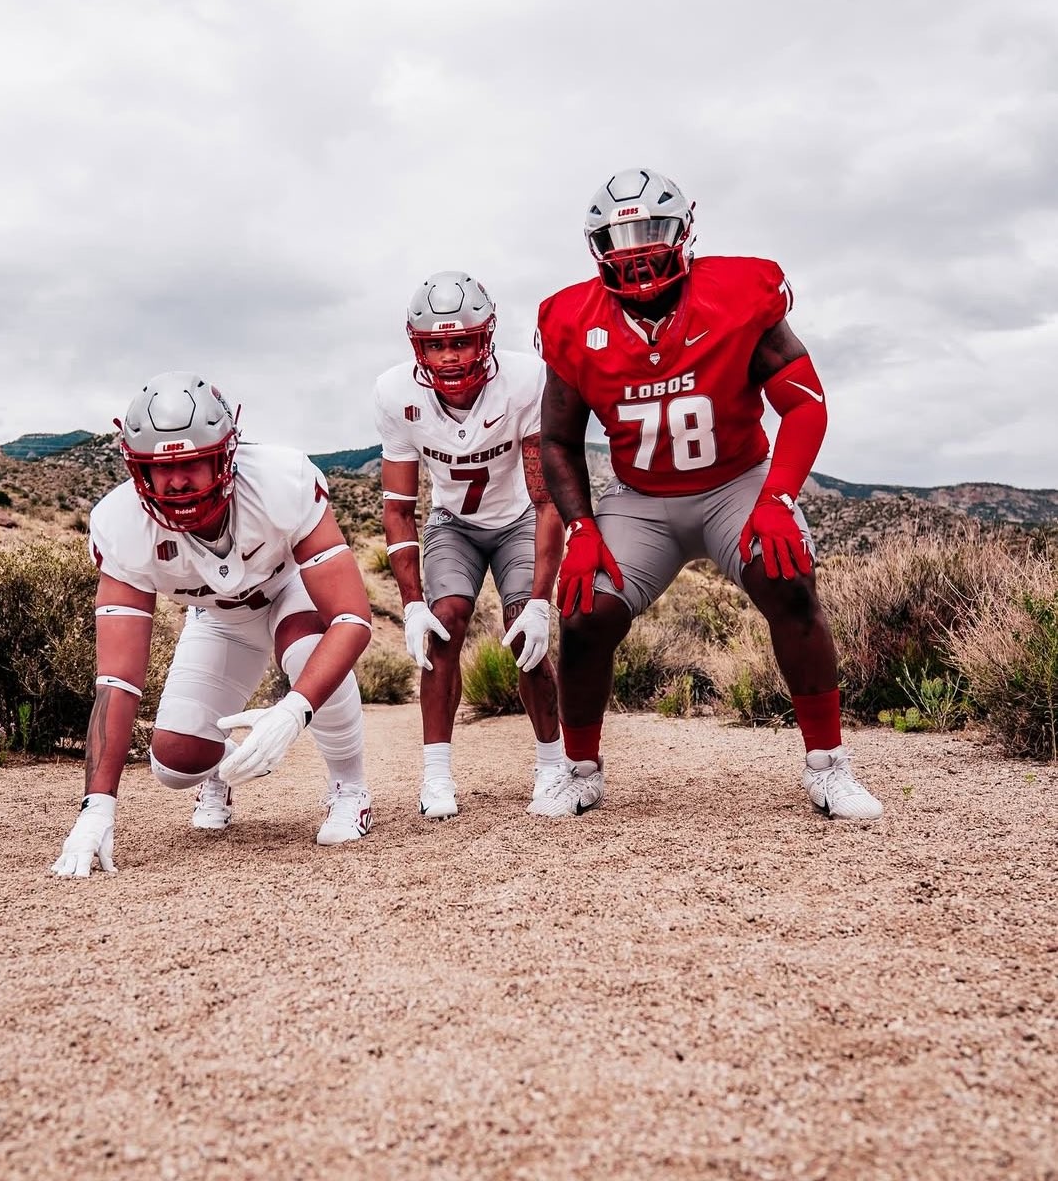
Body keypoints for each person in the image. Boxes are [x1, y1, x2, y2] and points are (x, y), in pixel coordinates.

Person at [535, 167, 883, 821]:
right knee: (584, 613)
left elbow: (804, 404)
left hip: (735, 484)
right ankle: (578, 771)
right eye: (620, 237)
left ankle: (828, 765)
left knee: (788, 580)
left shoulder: (738, 293)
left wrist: (777, 498)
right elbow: (556, 439)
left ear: (684, 230)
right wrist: (581, 528)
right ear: (596, 245)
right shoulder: (571, 320)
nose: (636, 251)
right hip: (640, 498)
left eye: (650, 231)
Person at [51, 370, 374, 877]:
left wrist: (292, 711)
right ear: (137, 467)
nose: (177, 481)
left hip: (292, 595)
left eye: (192, 462)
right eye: (160, 467)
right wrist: (96, 808)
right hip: (220, 620)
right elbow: (117, 681)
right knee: (174, 762)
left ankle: (349, 788)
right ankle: (222, 770)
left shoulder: (280, 480)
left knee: (306, 650)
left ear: (225, 454)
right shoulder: (120, 525)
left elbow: (352, 617)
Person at [373, 271, 566, 818]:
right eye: (436, 345)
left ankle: (553, 765)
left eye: (461, 341)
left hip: (518, 518)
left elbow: (547, 499)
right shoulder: (395, 393)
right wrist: (411, 605)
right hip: (452, 521)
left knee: (523, 629)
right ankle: (436, 775)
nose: (450, 357)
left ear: (486, 336)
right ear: (418, 346)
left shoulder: (525, 380)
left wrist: (540, 602)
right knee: (443, 622)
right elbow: (398, 509)